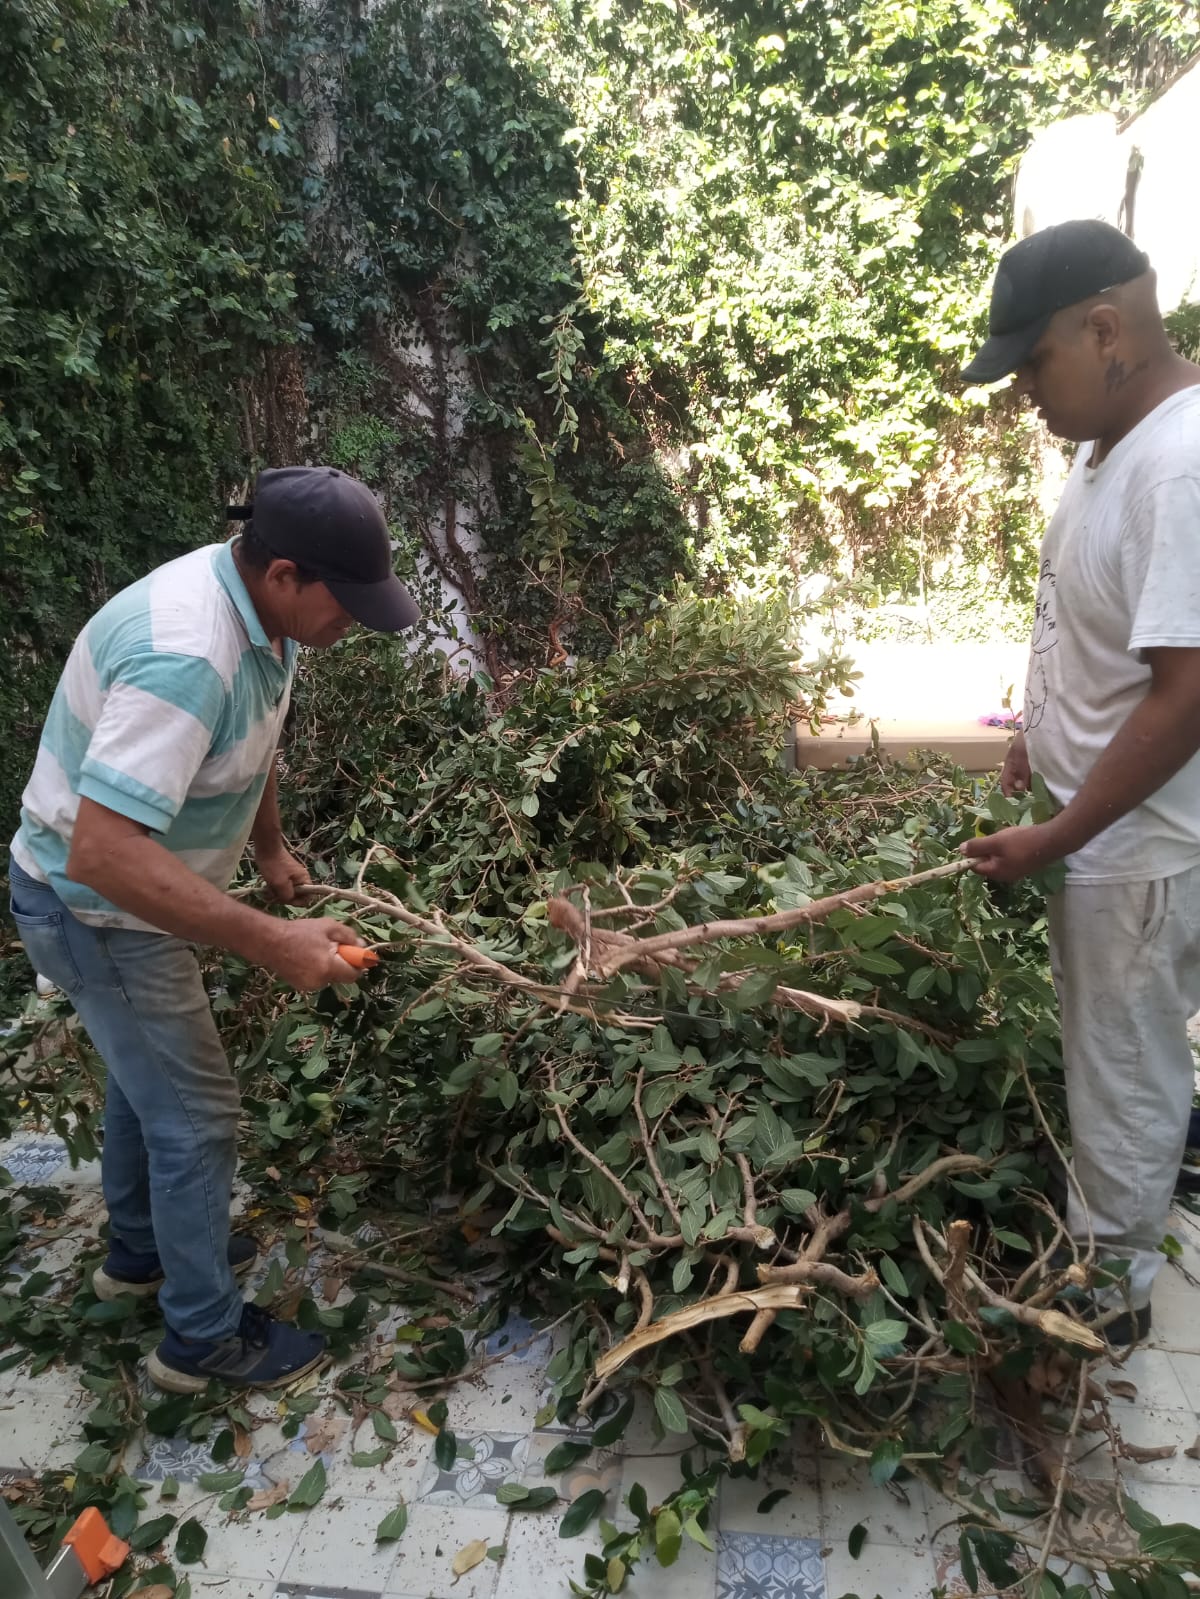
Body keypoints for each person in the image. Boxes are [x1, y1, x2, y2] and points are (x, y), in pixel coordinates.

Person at [8, 466, 420, 1391]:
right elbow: (104, 855)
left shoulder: (265, 618)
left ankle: (140, 1250)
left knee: (142, 1079)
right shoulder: (187, 655)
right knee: (198, 1115)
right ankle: (200, 1339)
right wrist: (270, 941)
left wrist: (270, 852)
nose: (349, 622)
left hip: (125, 899)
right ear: (282, 573)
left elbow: (252, 738)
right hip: (97, 909)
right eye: (344, 603)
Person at [959, 219, 1200, 1344]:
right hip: (1095, 825)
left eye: (1032, 368)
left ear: (1105, 331)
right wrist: (1034, 728)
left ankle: (1109, 1298)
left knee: (1124, 1065)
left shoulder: (1182, 463)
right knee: (1109, 1050)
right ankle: (1116, 1222)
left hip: (1135, 846)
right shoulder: (1106, 444)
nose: (1024, 399)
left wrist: (1058, 838)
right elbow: (1088, 613)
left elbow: (1187, 695)